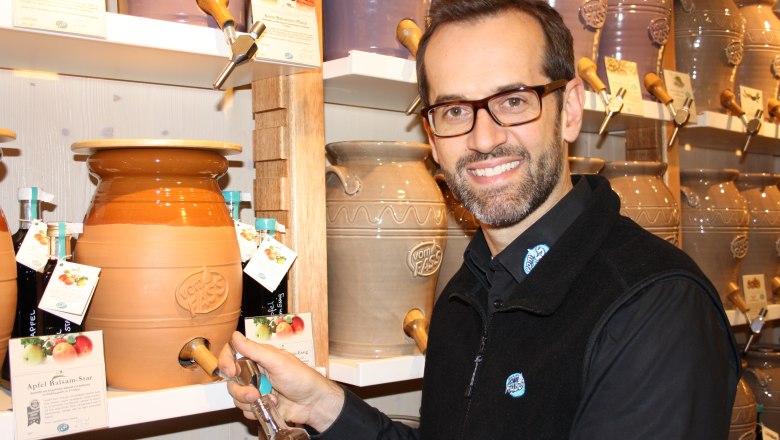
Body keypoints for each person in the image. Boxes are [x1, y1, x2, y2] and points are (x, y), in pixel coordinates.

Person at [219, 0, 740, 438]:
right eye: (454, 110)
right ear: (431, 137)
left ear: (570, 110)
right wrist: (322, 406)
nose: (484, 139)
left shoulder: (656, 308)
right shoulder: (465, 294)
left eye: (513, 101)